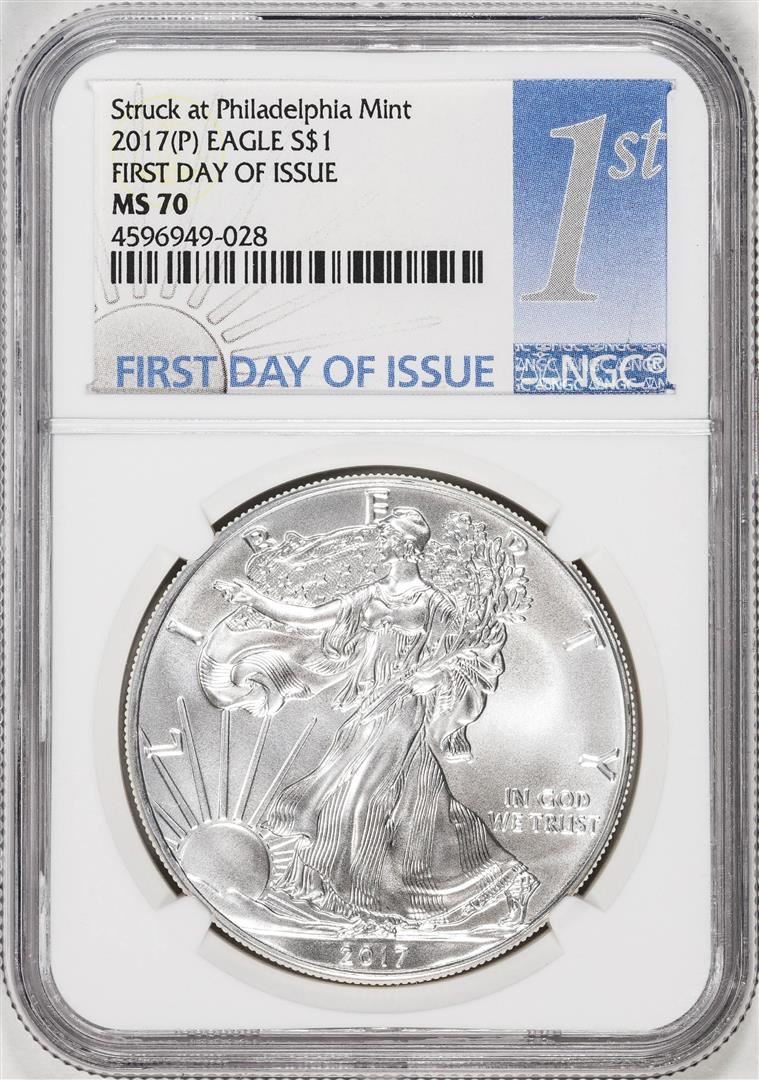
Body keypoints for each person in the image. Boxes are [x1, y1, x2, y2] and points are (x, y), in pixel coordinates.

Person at [200, 506, 537, 929]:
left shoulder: (434, 603)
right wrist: (257, 601)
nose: (382, 542)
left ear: (407, 546)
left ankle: (365, 903)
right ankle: (502, 881)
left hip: (404, 710)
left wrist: (431, 676)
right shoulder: (370, 596)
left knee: (359, 799)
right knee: (414, 807)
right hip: (370, 707)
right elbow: (311, 619)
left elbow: (465, 656)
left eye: (389, 536)